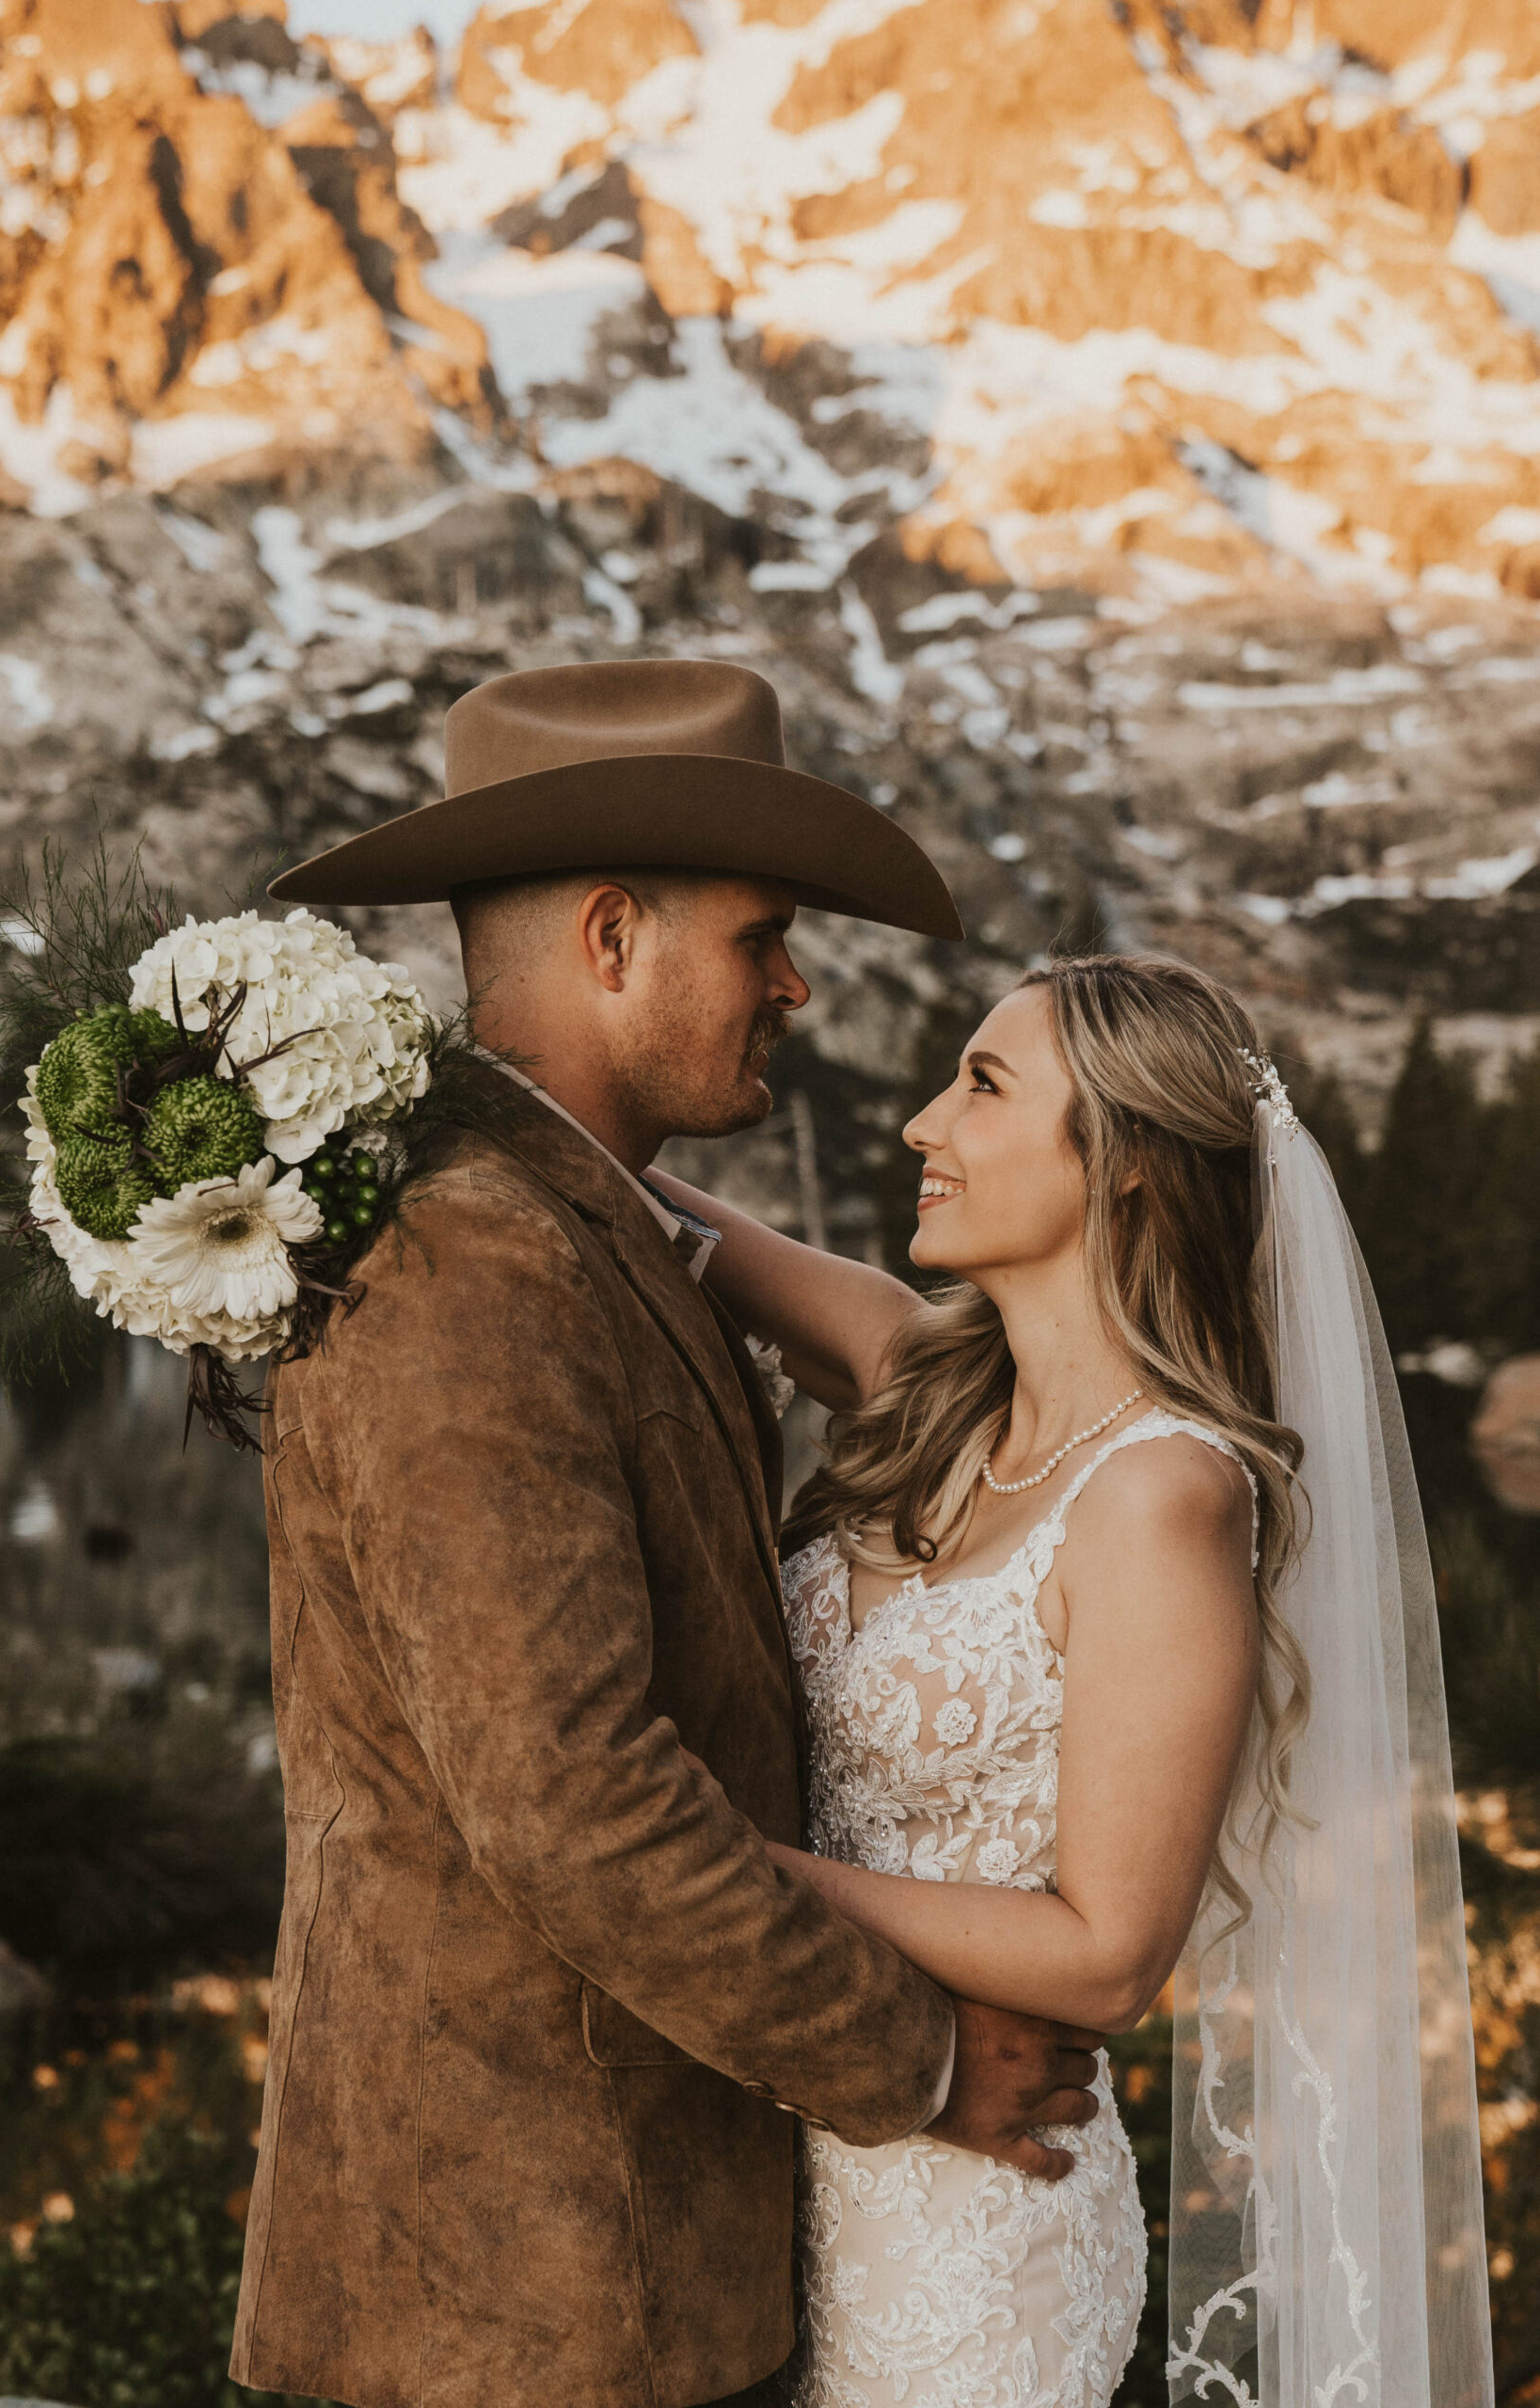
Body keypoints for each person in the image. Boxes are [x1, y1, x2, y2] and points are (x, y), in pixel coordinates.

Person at [228, 657, 1103, 2408]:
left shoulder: (574, 1221)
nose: (795, 983)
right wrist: (919, 2062)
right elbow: (575, 1800)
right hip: (506, 2312)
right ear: (613, 939)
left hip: (614, 2282)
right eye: (760, 936)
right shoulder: (475, 1263)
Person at [658, 954, 1495, 2408]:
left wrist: (726, 1869)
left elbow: (1111, 1951)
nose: (924, 1124)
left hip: (976, 2235)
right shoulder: (920, 1382)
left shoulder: (1164, 1494)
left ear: (1126, 1165)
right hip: (775, 2153)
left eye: (983, 1086)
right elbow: (648, 1216)